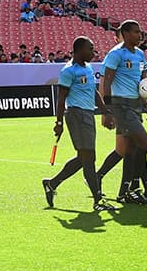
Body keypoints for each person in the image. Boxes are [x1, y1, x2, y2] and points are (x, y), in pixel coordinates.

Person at [42, 36, 112, 212]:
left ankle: (51, 183)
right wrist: (58, 122)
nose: (93, 52)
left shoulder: (88, 68)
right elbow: (61, 99)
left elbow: (94, 90)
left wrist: (104, 110)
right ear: (79, 50)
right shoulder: (68, 71)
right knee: (89, 158)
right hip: (76, 115)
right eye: (90, 49)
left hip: (88, 115)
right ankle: (98, 200)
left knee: (84, 158)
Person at [99, 20, 147, 205]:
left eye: (140, 32)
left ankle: (124, 192)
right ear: (125, 33)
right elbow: (106, 82)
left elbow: (141, 83)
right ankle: (133, 188)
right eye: (135, 32)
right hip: (120, 106)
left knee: (128, 150)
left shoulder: (140, 55)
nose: (140, 35)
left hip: (134, 105)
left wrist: (145, 105)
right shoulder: (116, 54)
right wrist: (106, 111)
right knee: (144, 143)